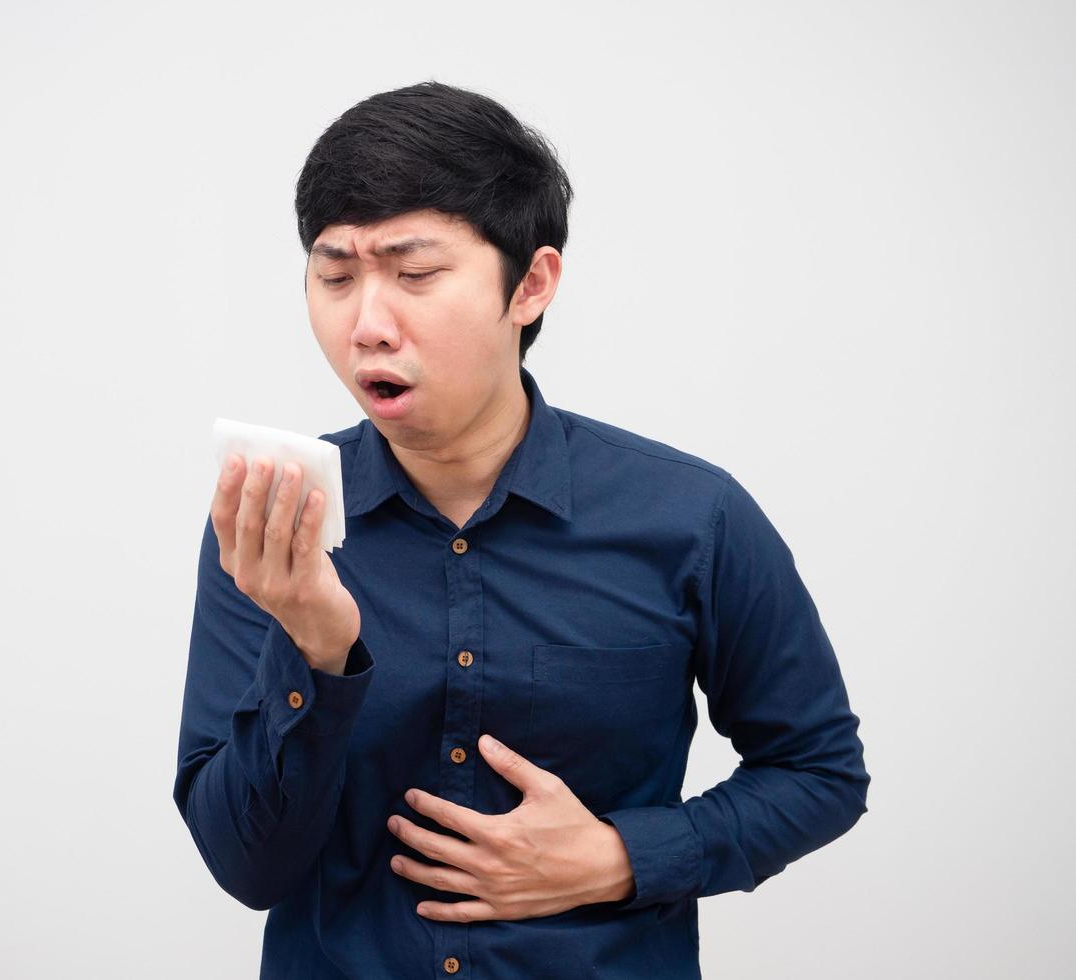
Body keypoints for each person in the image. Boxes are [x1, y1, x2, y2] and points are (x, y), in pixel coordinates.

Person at [172, 79, 870, 979]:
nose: (367, 325)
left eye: (415, 274)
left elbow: (819, 771)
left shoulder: (690, 516)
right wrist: (316, 646)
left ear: (529, 285)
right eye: (335, 275)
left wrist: (622, 857)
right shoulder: (276, 524)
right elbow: (246, 865)